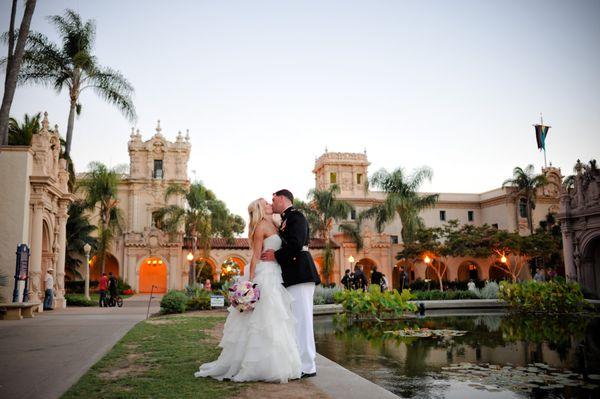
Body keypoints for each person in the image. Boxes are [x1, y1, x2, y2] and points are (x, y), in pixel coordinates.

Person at [196, 198, 302, 382]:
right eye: (266, 202)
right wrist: (250, 284)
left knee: (276, 317)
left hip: (276, 273)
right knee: (265, 318)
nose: (270, 203)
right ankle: (259, 365)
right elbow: (255, 257)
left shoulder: (275, 223)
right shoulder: (261, 226)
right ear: (261, 208)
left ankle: (277, 363)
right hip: (266, 274)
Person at [262, 189, 321, 378]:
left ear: (282, 198)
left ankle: (308, 366)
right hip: (293, 276)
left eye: (274, 199)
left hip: (301, 274)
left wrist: (275, 255)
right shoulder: (286, 219)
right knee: (296, 321)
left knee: (303, 322)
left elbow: (296, 243)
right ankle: (299, 363)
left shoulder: (297, 217)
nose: (272, 203)